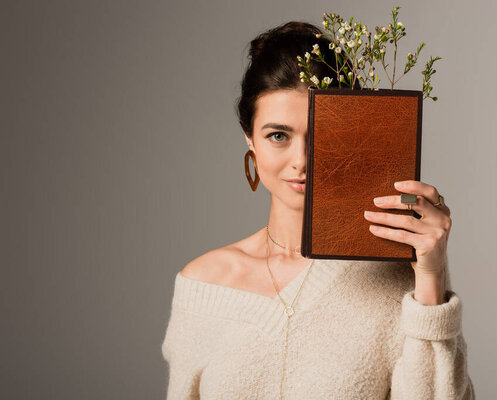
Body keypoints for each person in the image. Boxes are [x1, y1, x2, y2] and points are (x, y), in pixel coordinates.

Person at [160, 21, 475, 399]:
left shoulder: (397, 277)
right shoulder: (204, 285)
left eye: (322, 135)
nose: (301, 160)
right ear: (251, 141)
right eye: (278, 136)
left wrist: (430, 276)